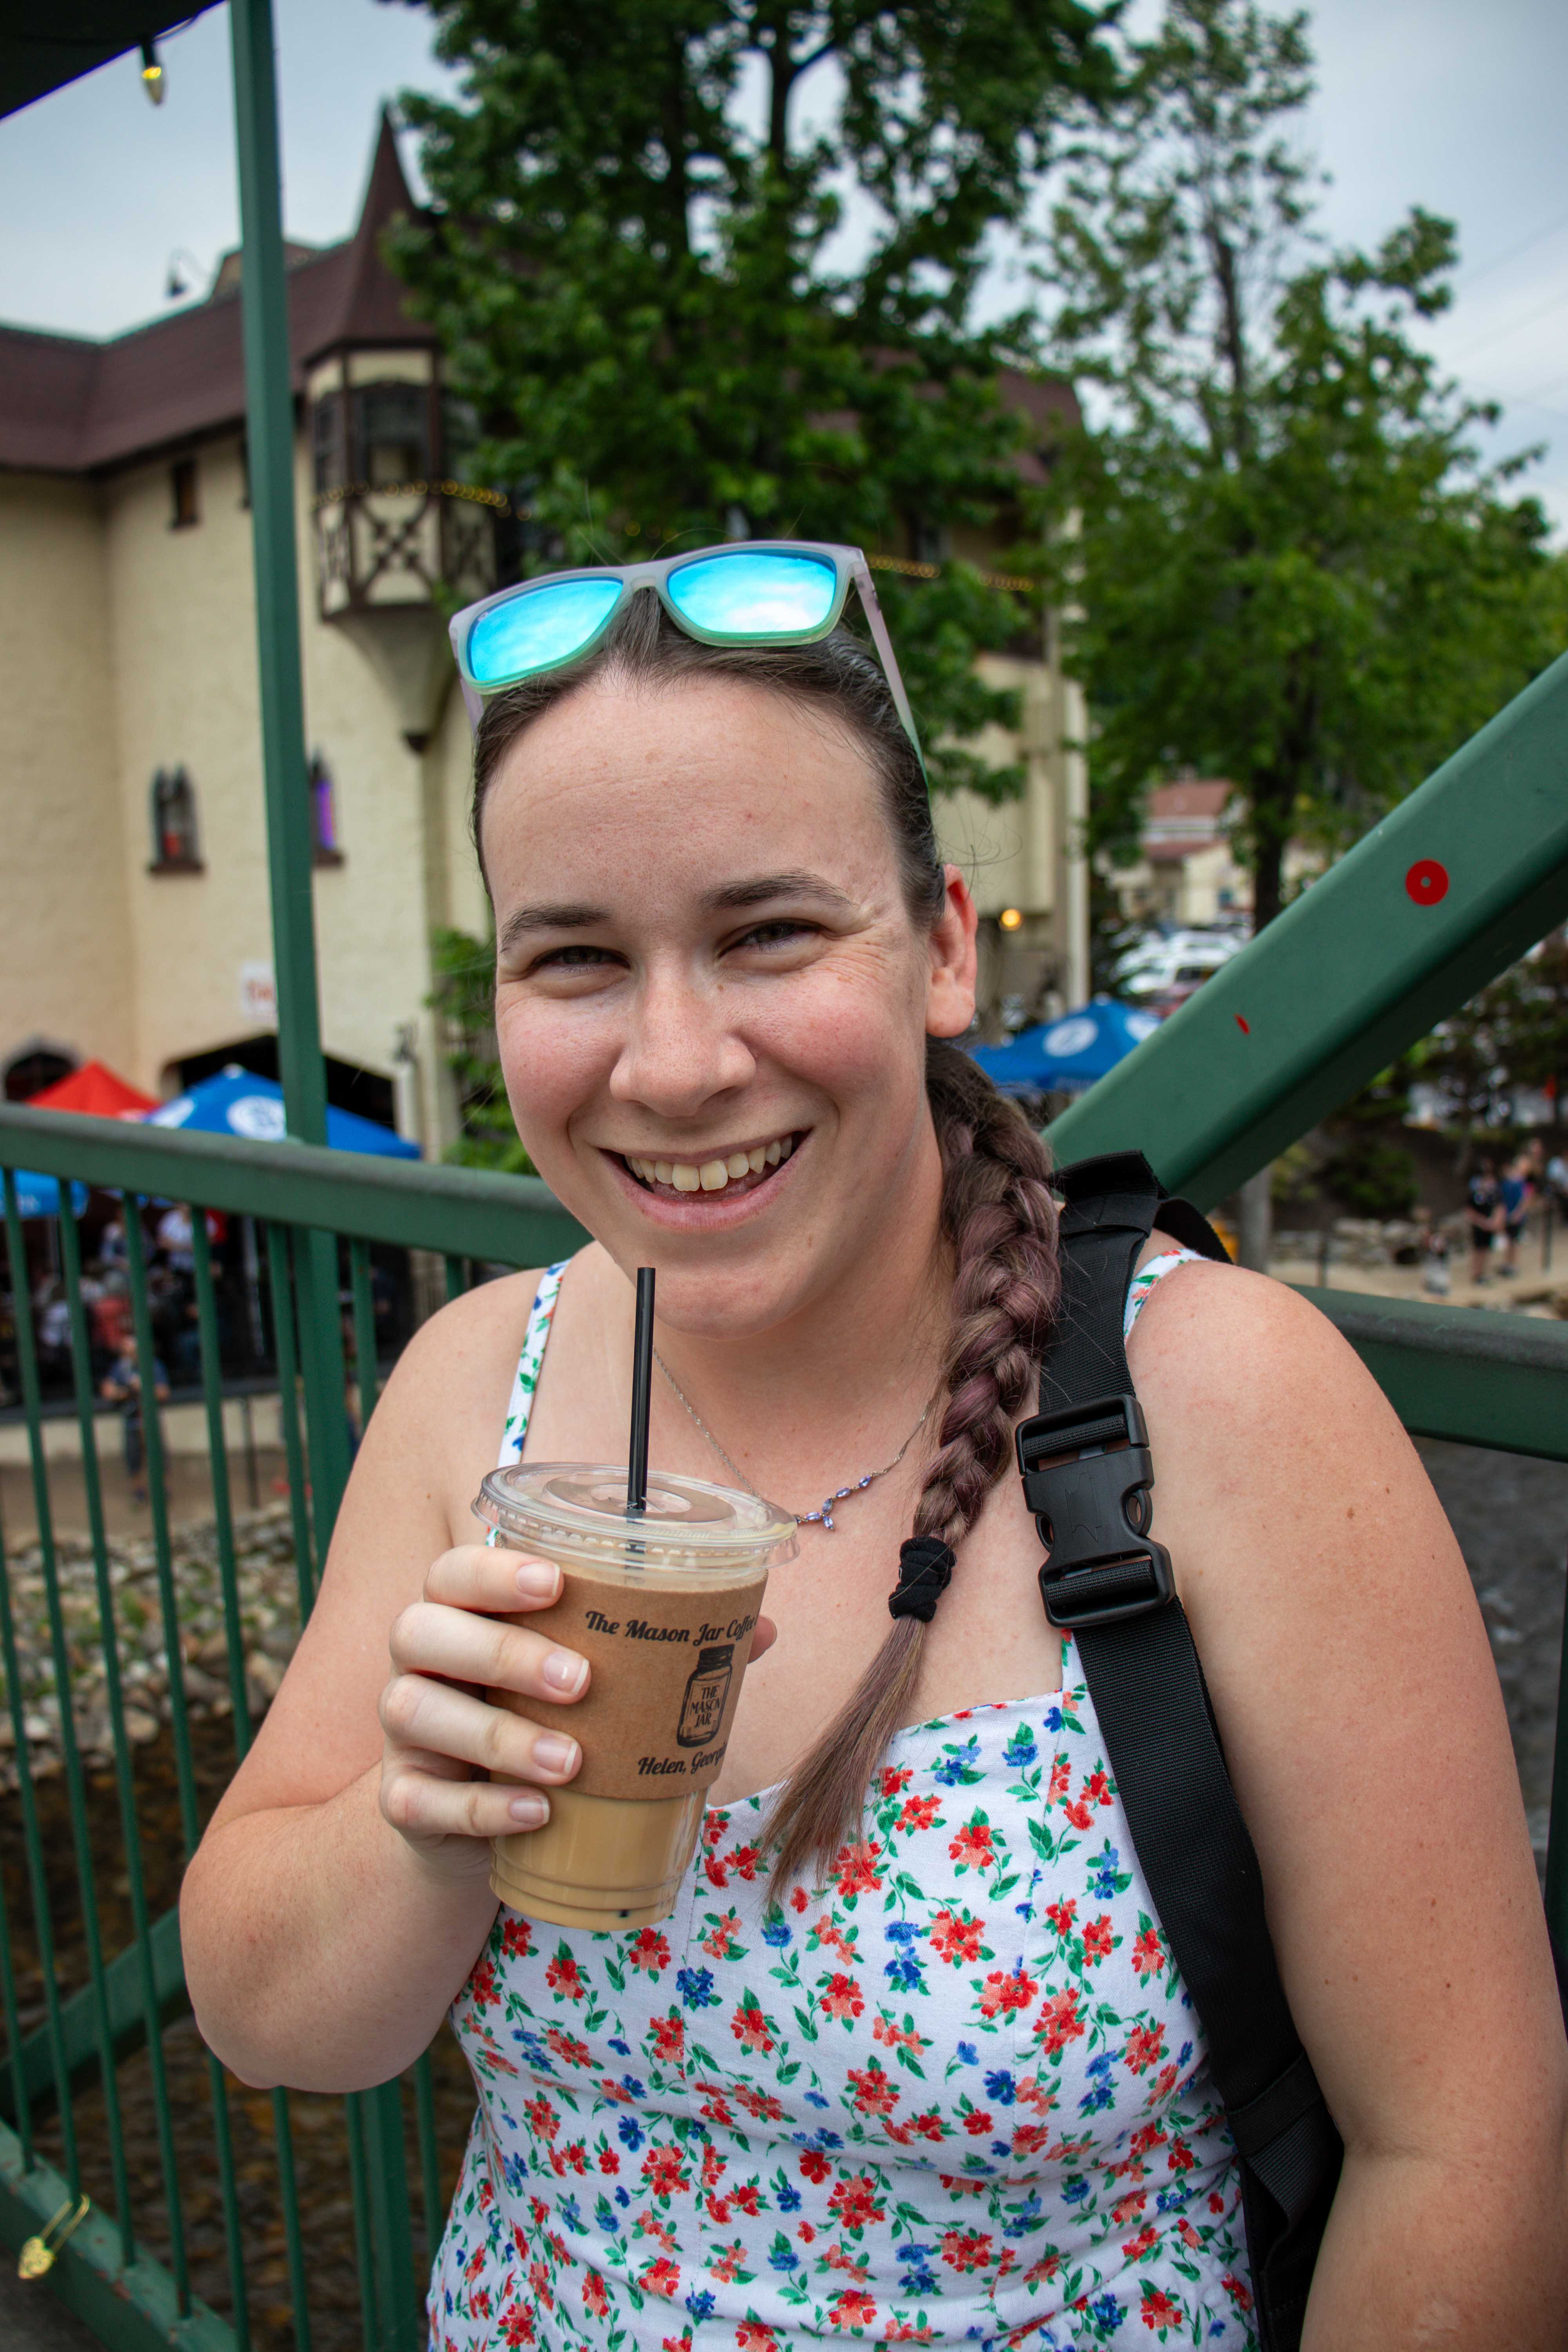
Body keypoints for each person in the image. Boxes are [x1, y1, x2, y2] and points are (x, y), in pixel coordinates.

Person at [181, 556, 1568, 2348]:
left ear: (937, 945)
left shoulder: (1218, 1397)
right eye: (576, 957)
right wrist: (426, 1821)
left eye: (766, 932)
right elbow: (272, 2023)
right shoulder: (477, 1389)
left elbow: (1459, 2144)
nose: (672, 1064)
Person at [100, 1343, 169, 1502]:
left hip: (149, 1419)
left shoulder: (154, 1366)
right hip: (130, 1419)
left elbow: (164, 1392)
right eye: (127, 1352)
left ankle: (163, 1489)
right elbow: (108, 1391)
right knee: (133, 1455)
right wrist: (126, 1392)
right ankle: (138, 1491)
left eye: (134, 1352)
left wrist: (144, 1388)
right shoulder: (121, 1368)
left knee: (158, 1453)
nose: (131, 1355)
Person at [1465, 1154, 1503, 1284]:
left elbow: (1499, 1205)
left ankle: (1482, 1273)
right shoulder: (1475, 1191)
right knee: (1478, 1249)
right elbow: (1470, 1209)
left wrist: (1495, 1221)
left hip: (1490, 1222)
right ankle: (1476, 1273)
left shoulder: (1495, 1190)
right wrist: (1481, 1222)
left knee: (1486, 1249)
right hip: (1479, 1224)